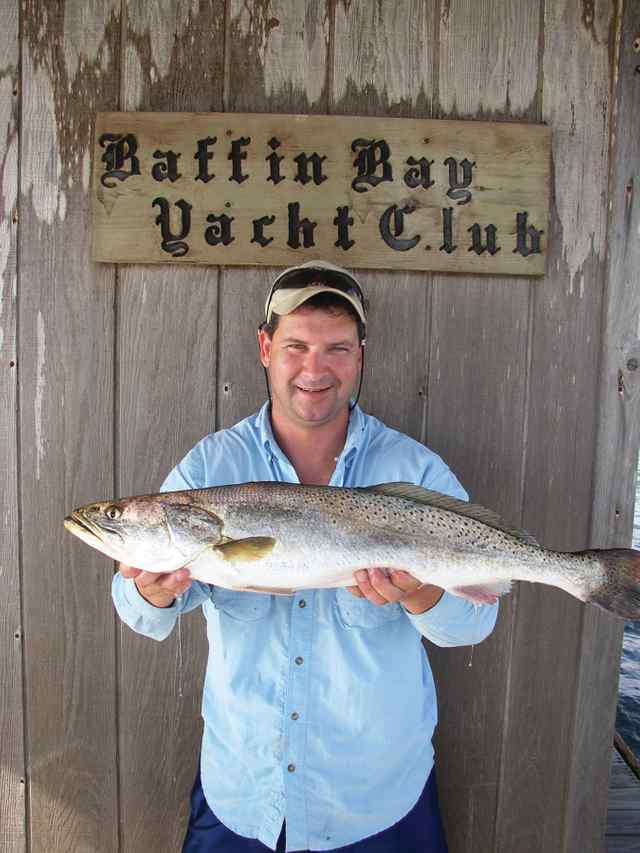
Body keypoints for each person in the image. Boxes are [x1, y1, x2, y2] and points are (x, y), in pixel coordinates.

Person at [112, 260, 498, 853]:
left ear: (361, 355)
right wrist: (150, 591)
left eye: (337, 348)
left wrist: (419, 594)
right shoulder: (208, 471)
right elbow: (140, 611)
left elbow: (476, 619)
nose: (315, 369)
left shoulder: (416, 472)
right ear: (266, 348)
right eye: (296, 346)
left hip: (377, 798)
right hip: (244, 792)